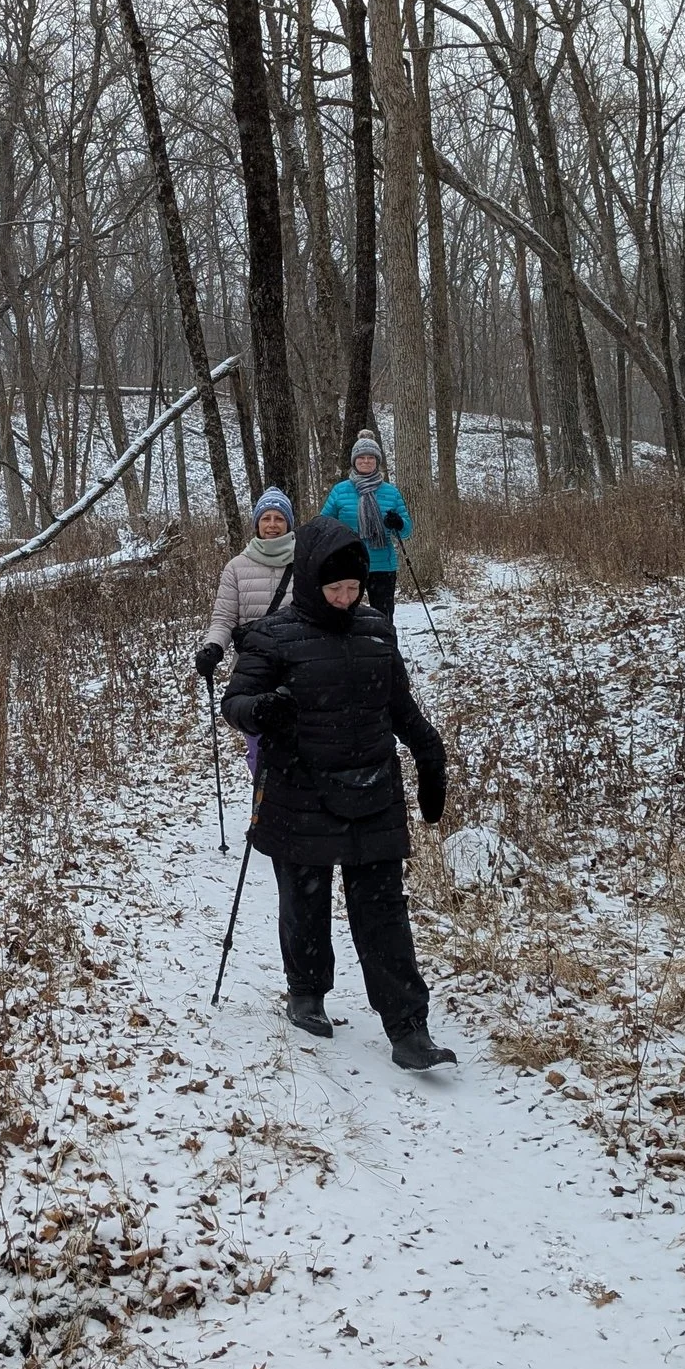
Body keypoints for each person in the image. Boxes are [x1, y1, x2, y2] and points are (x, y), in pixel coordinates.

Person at [222, 514, 454, 1071]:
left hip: (373, 789)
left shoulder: (376, 630)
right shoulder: (274, 637)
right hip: (299, 790)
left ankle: (408, 1029)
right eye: (336, 588)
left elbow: (398, 704)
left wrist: (429, 751)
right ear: (310, 582)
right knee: (305, 900)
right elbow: (236, 702)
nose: (347, 598)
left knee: (383, 912)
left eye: (354, 587)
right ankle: (306, 993)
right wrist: (261, 711)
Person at [195, 488, 299, 782]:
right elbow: (224, 617)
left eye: (279, 518)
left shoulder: (306, 563)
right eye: (266, 518)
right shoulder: (236, 568)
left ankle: (298, 804)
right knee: (257, 739)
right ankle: (264, 798)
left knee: (299, 736)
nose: (272, 524)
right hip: (253, 666)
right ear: (256, 524)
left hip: (298, 662)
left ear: (289, 524)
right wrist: (213, 647)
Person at [320, 428, 411, 616]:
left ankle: (383, 646)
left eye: (371, 458)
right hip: (348, 563)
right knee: (346, 615)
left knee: (383, 616)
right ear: (354, 461)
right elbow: (323, 524)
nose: (366, 461)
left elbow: (407, 531)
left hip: (382, 565)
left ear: (377, 461)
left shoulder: (391, 492)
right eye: (361, 457)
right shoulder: (340, 490)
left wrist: (398, 523)